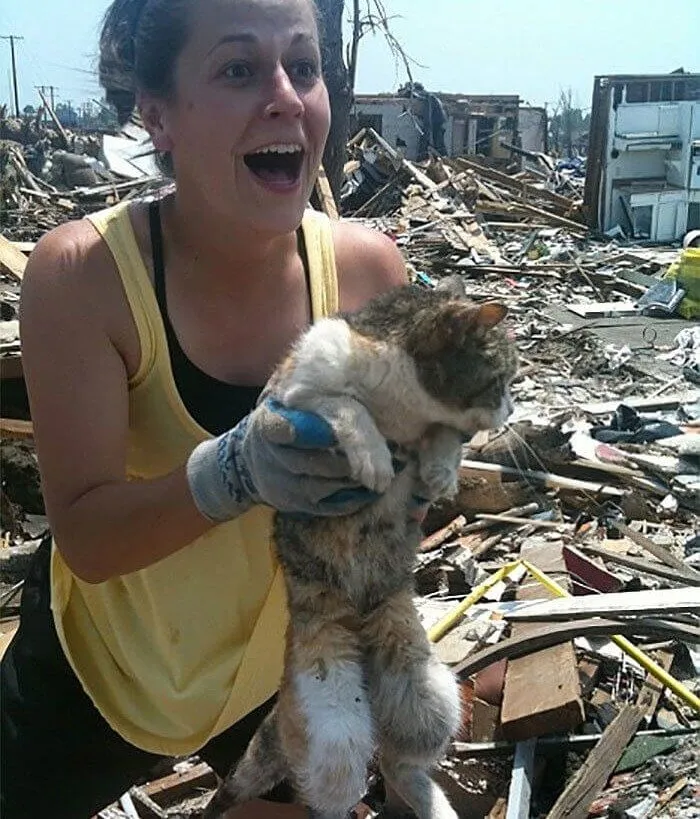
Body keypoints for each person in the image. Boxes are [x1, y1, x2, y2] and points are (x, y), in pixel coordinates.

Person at [0, 0, 408, 816]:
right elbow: (86, 537)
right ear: (158, 117)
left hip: (273, 662)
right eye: (238, 69)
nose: (287, 95)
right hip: (107, 665)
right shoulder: (86, 276)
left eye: (304, 64)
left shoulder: (367, 277)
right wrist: (237, 469)